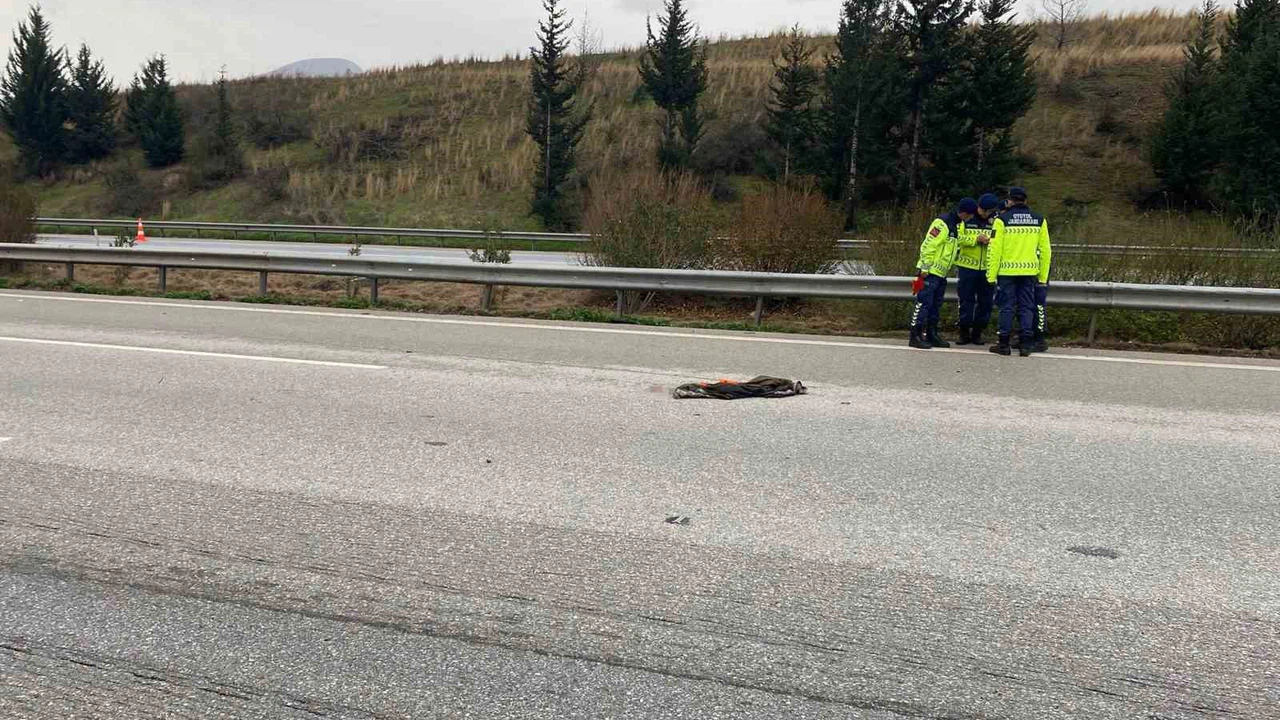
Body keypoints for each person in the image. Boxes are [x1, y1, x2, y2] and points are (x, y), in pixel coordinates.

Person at [986, 187, 1051, 357]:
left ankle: (1004, 344)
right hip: (1029, 272)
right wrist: (1043, 277)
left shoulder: (1001, 220)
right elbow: (1045, 250)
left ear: (1009, 201)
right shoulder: (1039, 220)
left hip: (1006, 272)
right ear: (1025, 201)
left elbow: (994, 250)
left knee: (1006, 307)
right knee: (1026, 307)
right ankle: (1025, 345)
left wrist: (991, 275)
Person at [910, 198, 977, 350]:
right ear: (965, 213)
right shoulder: (942, 222)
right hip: (929, 272)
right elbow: (928, 245)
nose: (971, 218)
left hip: (941, 273)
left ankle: (932, 334)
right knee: (923, 304)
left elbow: (959, 240)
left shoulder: (956, 225)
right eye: (971, 215)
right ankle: (915, 335)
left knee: (935, 305)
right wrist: (925, 268)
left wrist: (975, 240)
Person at [954, 194, 1001, 345]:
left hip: (987, 268)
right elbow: (958, 238)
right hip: (967, 267)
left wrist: (990, 241)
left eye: (988, 211)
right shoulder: (967, 217)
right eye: (982, 209)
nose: (984, 213)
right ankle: (963, 332)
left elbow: (1000, 240)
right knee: (965, 301)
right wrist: (975, 240)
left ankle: (978, 333)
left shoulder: (997, 220)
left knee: (985, 303)